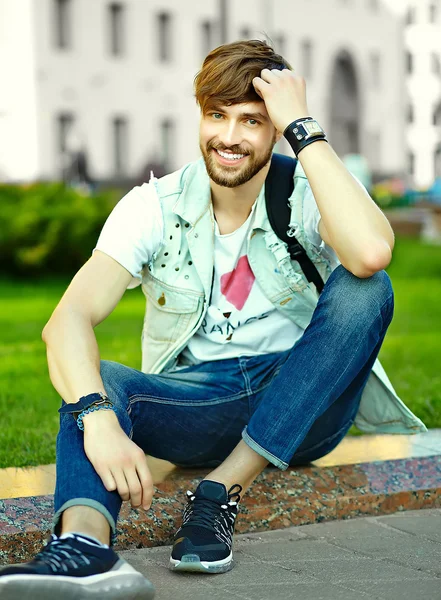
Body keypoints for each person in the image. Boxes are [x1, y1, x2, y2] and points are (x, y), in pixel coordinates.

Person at [0, 40, 426, 600]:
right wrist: (99, 418)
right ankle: (84, 548)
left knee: (365, 288)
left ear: (276, 130)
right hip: (202, 405)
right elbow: (67, 320)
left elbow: (371, 253)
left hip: (305, 403)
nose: (229, 137)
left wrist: (303, 124)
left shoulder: (308, 189)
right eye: (216, 115)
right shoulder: (155, 205)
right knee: (96, 382)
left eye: (252, 120)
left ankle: (221, 489)